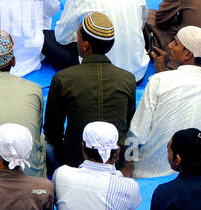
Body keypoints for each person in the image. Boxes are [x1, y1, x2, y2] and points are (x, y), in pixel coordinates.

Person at [44, 12, 137, 170]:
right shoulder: (127, 79)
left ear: (86, 45)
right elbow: (129, 126)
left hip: (75, 160)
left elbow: (53, 132)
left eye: (78, 34)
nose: (76, 38)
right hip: (115, 160)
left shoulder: (63, 78)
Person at [126, 26, 201, 178]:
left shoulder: (158, 80)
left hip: (148, 170)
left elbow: (137, 132)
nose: (169, 46)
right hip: (193, 167)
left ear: (188, 53)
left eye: (175, 43)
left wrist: (128, 163)